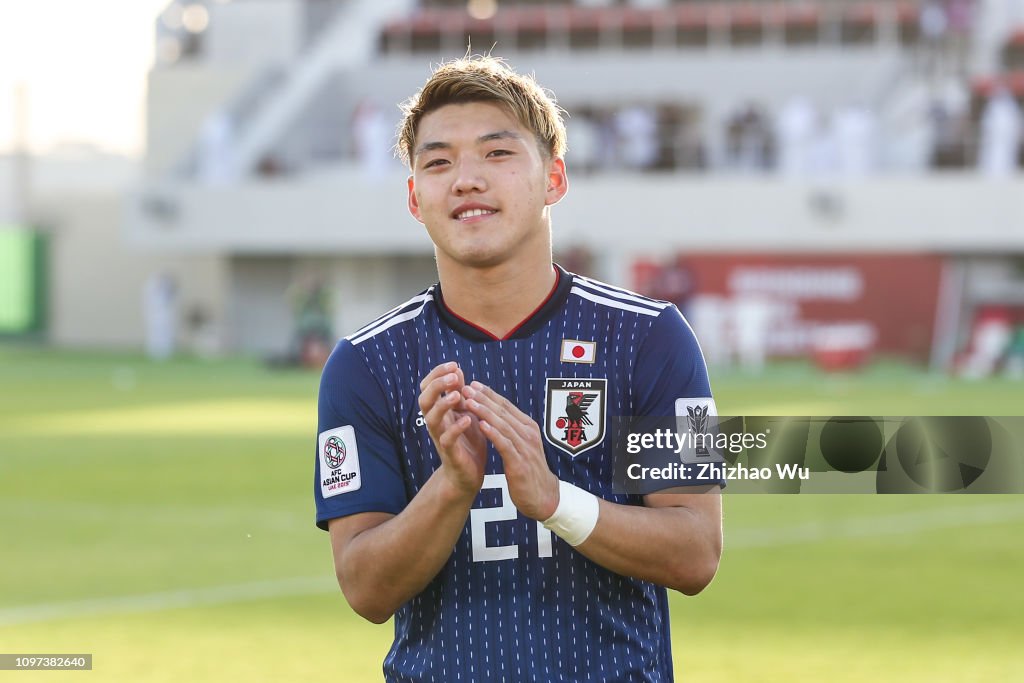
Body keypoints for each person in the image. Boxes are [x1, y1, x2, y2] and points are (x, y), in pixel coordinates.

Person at [314, 55, 723, 682]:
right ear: (414, 197)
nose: (466, 180)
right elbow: (365, 590)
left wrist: (557, 500)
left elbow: (697, 552)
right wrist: (452, 486)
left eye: (497, 154)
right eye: (438, 162)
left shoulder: (651, 337)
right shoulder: (366, 364)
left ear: (554, 178)